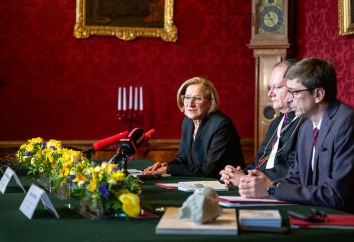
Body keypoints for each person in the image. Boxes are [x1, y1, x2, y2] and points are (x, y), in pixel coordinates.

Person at [238, 57, 354, 213]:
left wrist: (272, 189)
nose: (288, 98)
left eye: (294, 92)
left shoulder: (346, 123)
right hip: (313, 212)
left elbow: (336, 196)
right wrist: (258, 184)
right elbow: (295, 178)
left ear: (318, 94)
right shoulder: (306, 127)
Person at [219, 59, 304, 187]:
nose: (270, 93)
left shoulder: (307, 122)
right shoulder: (276, 123)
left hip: (280, 188)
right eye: (270, 87)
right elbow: (261, 162)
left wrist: (245, 179)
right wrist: (238, 173)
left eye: (277, 87)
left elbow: (292, 168)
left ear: (294, 87)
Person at [142, 77, 245, 178]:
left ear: (210, 102)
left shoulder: (221, 124)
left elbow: (209, 169)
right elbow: (183, 157)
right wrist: (164, 166)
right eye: (187, 97)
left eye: (197, 98)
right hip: (201, 183)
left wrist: (169, 169)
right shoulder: (188, 122)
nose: (190, 104)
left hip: (227, 185)